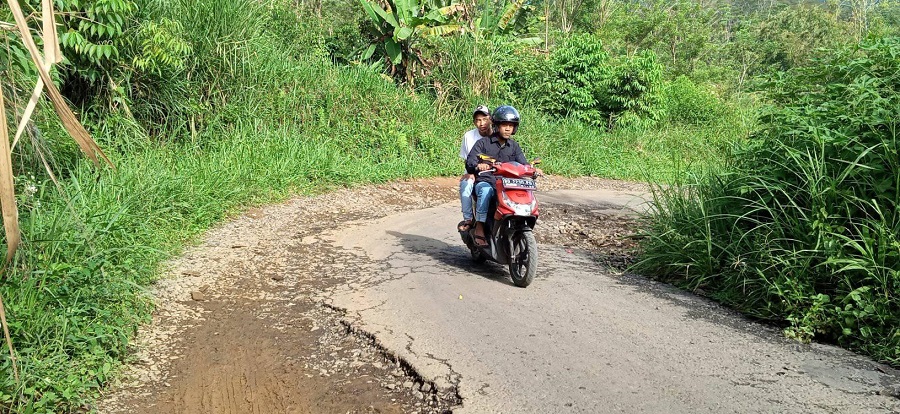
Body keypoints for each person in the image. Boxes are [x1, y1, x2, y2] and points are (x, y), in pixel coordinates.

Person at [465, 105, 542, 247]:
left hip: (507, 184)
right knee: (485, 191)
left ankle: (517, 226)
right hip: (487, 181)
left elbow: (523, 164)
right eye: (504, 125)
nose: (508, 128)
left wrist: (533, 170)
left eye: (511, 125)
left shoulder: (514, 146)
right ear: (496, 126)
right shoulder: (483, 143)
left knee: (523, 195)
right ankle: (480, 227)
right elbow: (470, 162)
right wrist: (478, 166)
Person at [457, 105, 492, 232]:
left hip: (492, 173)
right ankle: (468, 220)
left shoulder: (497, 136)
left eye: (484, 119)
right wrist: (471, 172)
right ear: (474, 122)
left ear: (491, 119)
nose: (481, 123)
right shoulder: (469, 136)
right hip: (474, 172)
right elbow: (468, 159)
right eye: (478, 120)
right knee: (465, 185)